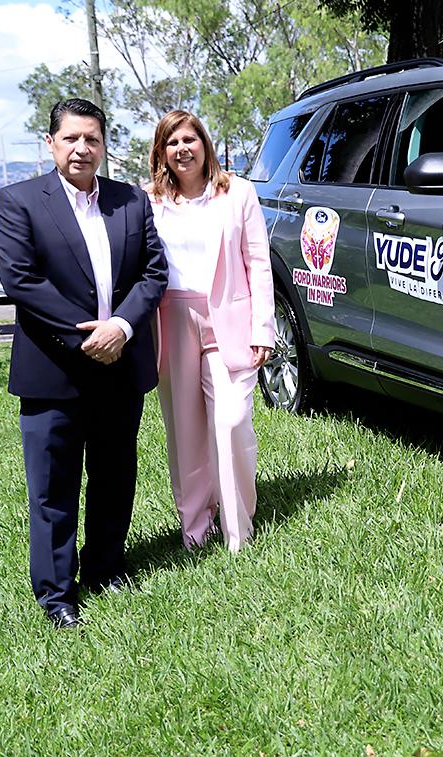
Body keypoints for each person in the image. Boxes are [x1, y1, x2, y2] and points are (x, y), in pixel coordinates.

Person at [0, 98, 169, 629]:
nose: (82, 148)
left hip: (121, 364)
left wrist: (122, 327)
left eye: (92, 138)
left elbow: (153, 273)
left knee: (116, 476)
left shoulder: (131, 201)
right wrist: (87, 336)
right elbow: (21, 281)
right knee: (53, 489)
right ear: (51, 143)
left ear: (103, 144)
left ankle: (106, 568)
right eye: (71, 138)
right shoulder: (19, 201)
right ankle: (56, 593)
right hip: (54, 369)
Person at [148, 110, 274, 553]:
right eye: (172, 143)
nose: (182, 149)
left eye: (189, 139)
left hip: (230, 321)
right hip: (173, 320)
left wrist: (263, 327)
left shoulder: (238, 193)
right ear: (161, 152)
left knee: (232, 420)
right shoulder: (150, 201)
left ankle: (239, 528)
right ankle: (195, 530)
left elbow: (258, 262)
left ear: (204, 143)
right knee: (185, 432)